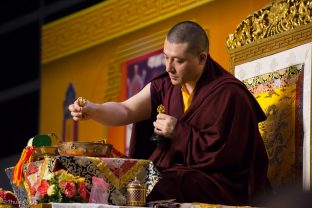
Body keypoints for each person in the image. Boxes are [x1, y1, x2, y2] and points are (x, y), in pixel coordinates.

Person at [68, 21, 271, 206]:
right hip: (180, 175)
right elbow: (127, 109)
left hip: (222, 183)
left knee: (150, 185)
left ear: (202, 58)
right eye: (165, 57)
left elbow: (230, 157)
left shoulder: (230, 94)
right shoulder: (166, 85)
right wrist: (94, 110)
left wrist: (178, 132)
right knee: (124, 180)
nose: (168, 68)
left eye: (178, 61)